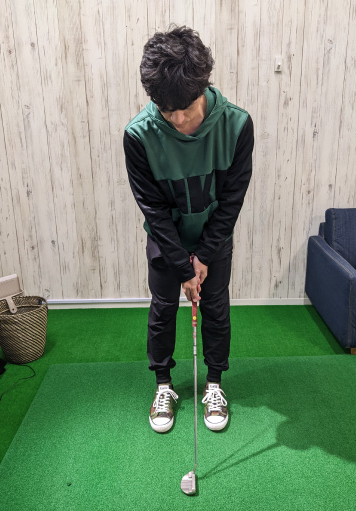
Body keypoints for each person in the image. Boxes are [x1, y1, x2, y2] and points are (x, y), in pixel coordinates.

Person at [124, 25, 254, 433]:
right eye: (167, 111)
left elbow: (231, 201)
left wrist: (206, 254)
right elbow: (154, 210)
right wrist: (183, 267)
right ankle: (163, 385)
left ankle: (214, 384)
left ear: (204, 86)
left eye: (186, 108)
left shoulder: (237, 125)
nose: (178, 120)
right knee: (163, 309)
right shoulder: (138, 136)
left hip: (215, 236)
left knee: (215, 309)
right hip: (166, 240)